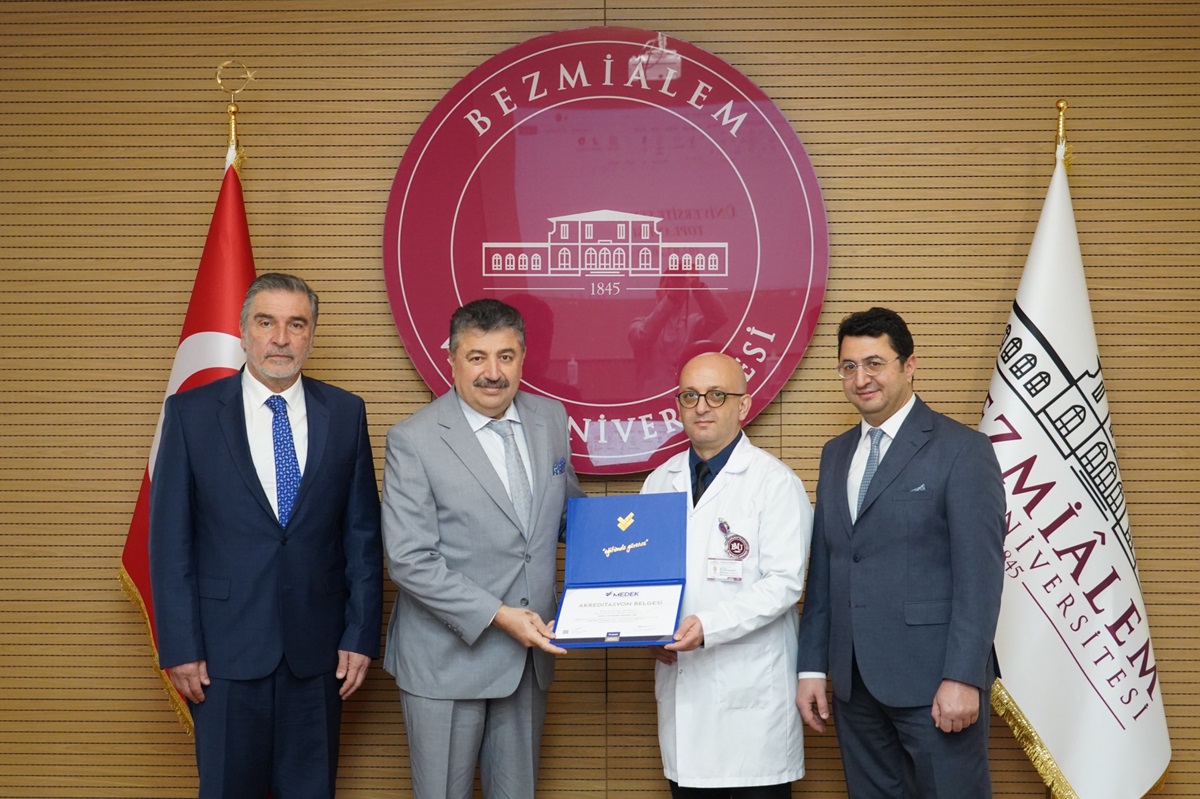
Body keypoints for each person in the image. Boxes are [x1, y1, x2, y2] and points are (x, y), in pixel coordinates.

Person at [149, 272, 383, 799]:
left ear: (312, 335)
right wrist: (180, 646)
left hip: (319, 655)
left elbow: (362, 537)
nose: (281, 338)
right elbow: (169, 544)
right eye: (266, 323)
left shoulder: (345, 413)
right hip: (222, 657)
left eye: (296, 324)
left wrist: (360, 634)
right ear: (242, 331)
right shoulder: (190, 414)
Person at [795, 307, 1005, 797]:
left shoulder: (963, 450)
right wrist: (812, 667)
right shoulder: (834, 454)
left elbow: (980, 577)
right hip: (854, 685)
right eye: (849, 366)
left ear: (909, 366)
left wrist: (963, 676)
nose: (860, 378)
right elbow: (826, 570)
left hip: (935, 683)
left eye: (875, 363)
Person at [381, 298, 583, 799]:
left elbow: (569, 518)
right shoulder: (413, 439)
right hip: (446, 660)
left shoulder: (550, 419)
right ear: (451, 359)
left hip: (527, 658)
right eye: (477, 357)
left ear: (522, 357)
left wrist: (635, 550)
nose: (493, 373)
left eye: (505, 356)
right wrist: (499, 615)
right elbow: (409, 559)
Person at [642, 351, 812, 798]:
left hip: (750, 702)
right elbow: (647, 576)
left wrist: (708, 626)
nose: (702, 406)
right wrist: (648, 628)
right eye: (690, 396)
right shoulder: (659, 482)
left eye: (717, 395)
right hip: (683, 690)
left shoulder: (774, 482)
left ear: (743, 405)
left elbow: (784, 583)